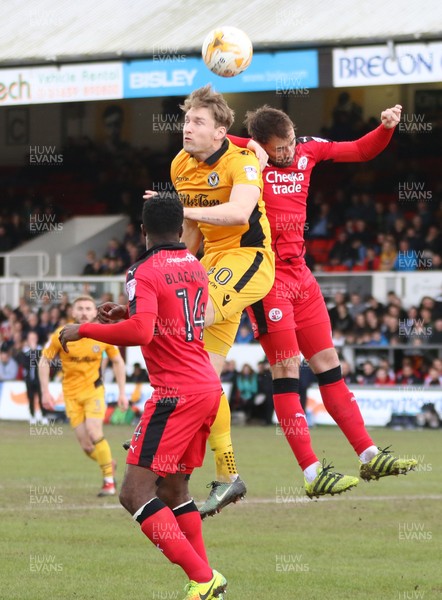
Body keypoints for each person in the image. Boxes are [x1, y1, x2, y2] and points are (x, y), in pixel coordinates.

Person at [227, 103, 417, 497]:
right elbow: (210, 138)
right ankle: (313, 472)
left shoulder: (309, 150)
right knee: (286, 369)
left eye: (292, 141)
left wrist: (384, 128)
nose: (289, 151)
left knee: (329, 363)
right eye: (280, 148)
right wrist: (210, 125)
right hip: (265, 275)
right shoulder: (244, 155)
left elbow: (361, 150)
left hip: (301, 274)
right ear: (261, 146)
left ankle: (369, 455)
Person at [58, 194, 227, 600]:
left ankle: (204, 578)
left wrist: (83, 330)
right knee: (174, 492)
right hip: (206, 387)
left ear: (143, 230)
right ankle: (205, 582)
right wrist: (129, 315)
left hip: (176, 393)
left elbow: (142, 334)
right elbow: (165, 321)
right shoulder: (195, 266)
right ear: (180, 225)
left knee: (134, 493)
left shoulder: (143, 270)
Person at [144, 84, 275, 518]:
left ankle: (169, 433)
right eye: (185, 120)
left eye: (197, 121)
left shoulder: (242, 163)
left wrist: (178, 210)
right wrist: (171, 264)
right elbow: (194, 235)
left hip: (249, 259)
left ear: (220, 132)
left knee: (187, 319)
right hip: (212, 264)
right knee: (203, 375)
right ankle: (227, 473)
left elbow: (239, 213)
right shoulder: (181, 165)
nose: (187, 128)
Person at [39, 295, 128, 497]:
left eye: (88, 308)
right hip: (70, 394)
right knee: (87, 446)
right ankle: (108, 464)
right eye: (80, 308)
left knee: (94, 431)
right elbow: (44, 360)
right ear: (73, 312)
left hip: (94, 391)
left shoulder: (103, 333)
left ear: (95, 312)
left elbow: (118, 362)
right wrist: (45, 392)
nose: (84, 312)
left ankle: (108, 482)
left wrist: (122, 392)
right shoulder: (61, 334)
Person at [17, 331, 49, 425]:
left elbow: (41, 361)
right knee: (30, 398)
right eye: (31, 338)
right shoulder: (24, 351)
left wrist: (34, 351)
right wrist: (32, 351)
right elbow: (24, 363)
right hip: (29, 379)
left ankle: (43, 416)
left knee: (41, 397)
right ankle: (32, 416)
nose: (32, 340)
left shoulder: (40, 350)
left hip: (39, 378)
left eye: (34, 338)